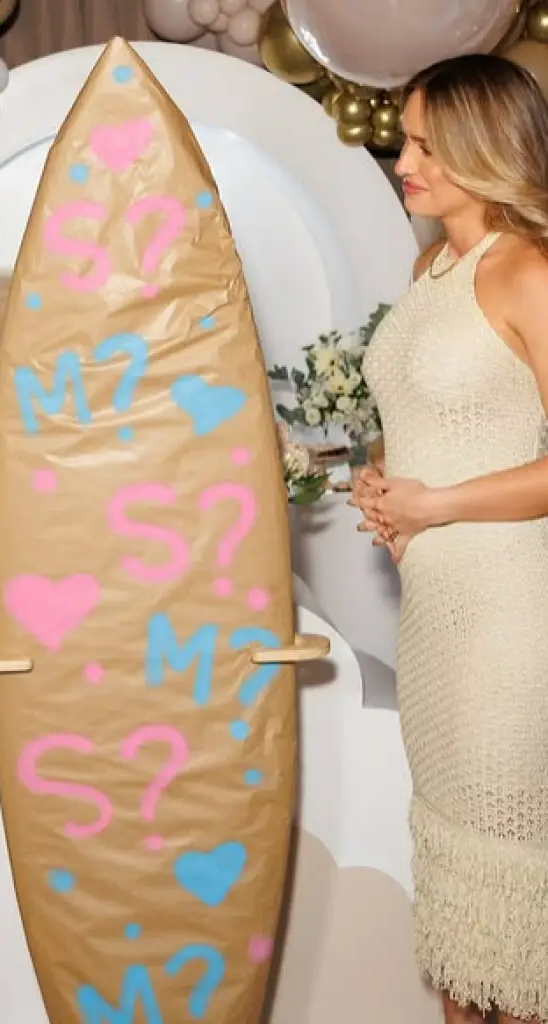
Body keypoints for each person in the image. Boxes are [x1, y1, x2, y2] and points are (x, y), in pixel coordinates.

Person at [352, 54, 548, 1024]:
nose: (403, 160)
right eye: (405, 137)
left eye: (427, 143)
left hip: (511, 626)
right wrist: (385, 486)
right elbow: (427, 416)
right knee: (460, 922)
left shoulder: (529, 270)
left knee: (511, 916)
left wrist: (434, 505)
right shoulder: (431, 266)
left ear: (485, 147)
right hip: (434, 624)